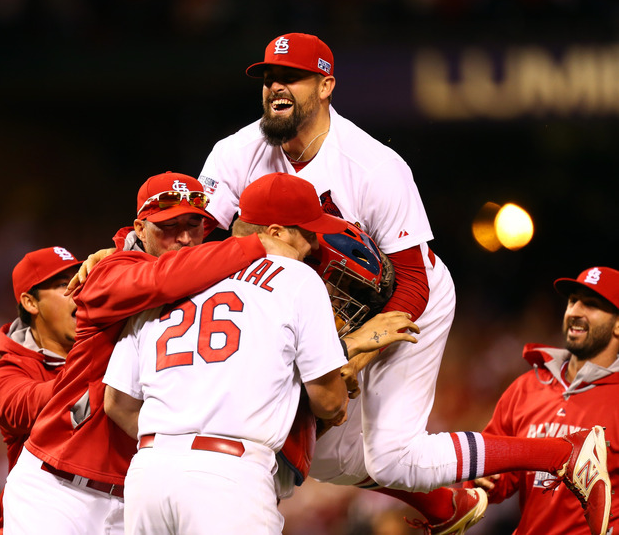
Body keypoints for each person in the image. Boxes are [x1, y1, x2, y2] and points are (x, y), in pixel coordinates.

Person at [198, 33, 612, 535]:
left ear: (326, 85)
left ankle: (562, 455)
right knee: (314, 449)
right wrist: (128, 249)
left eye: (291, 77)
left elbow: (413, 279)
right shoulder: (236, 153)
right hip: (328, 310)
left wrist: (359, 352)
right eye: (268, 78)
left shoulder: (372, 166)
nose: (275, 87)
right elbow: (197, 242)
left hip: (411, 299)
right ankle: (446, 505)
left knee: (393, 457)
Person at [2, 172, 290, 534]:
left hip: (136, 493)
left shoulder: (211, 277)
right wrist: (254, 245)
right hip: (59, 487)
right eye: (168, 226)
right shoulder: (109, 271)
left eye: (194, 224)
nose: (184, 238)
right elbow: (161, 280)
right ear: (140, 227)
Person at [102, 171, 353, 534]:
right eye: (309, 234)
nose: (315, 246)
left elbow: (117, 403)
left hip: (148, 474)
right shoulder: (296, 278)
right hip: (229, 476)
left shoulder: (165, 277)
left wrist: (177, 438)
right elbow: (329, 402)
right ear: (277, 232)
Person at [464, 266, 619, 534]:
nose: (575, 311)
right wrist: (486, 479)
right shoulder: (526, 388)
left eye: (591, 305)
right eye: (572, 301)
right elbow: (497, 479)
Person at [0, 246, 82, 535]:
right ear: (30, 302)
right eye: (64, 285)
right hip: (39, 514)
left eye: (80, 280)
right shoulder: (2, 373)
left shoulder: (107, 347)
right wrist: (97, 365)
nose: (78, 290)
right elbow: (26, 407)